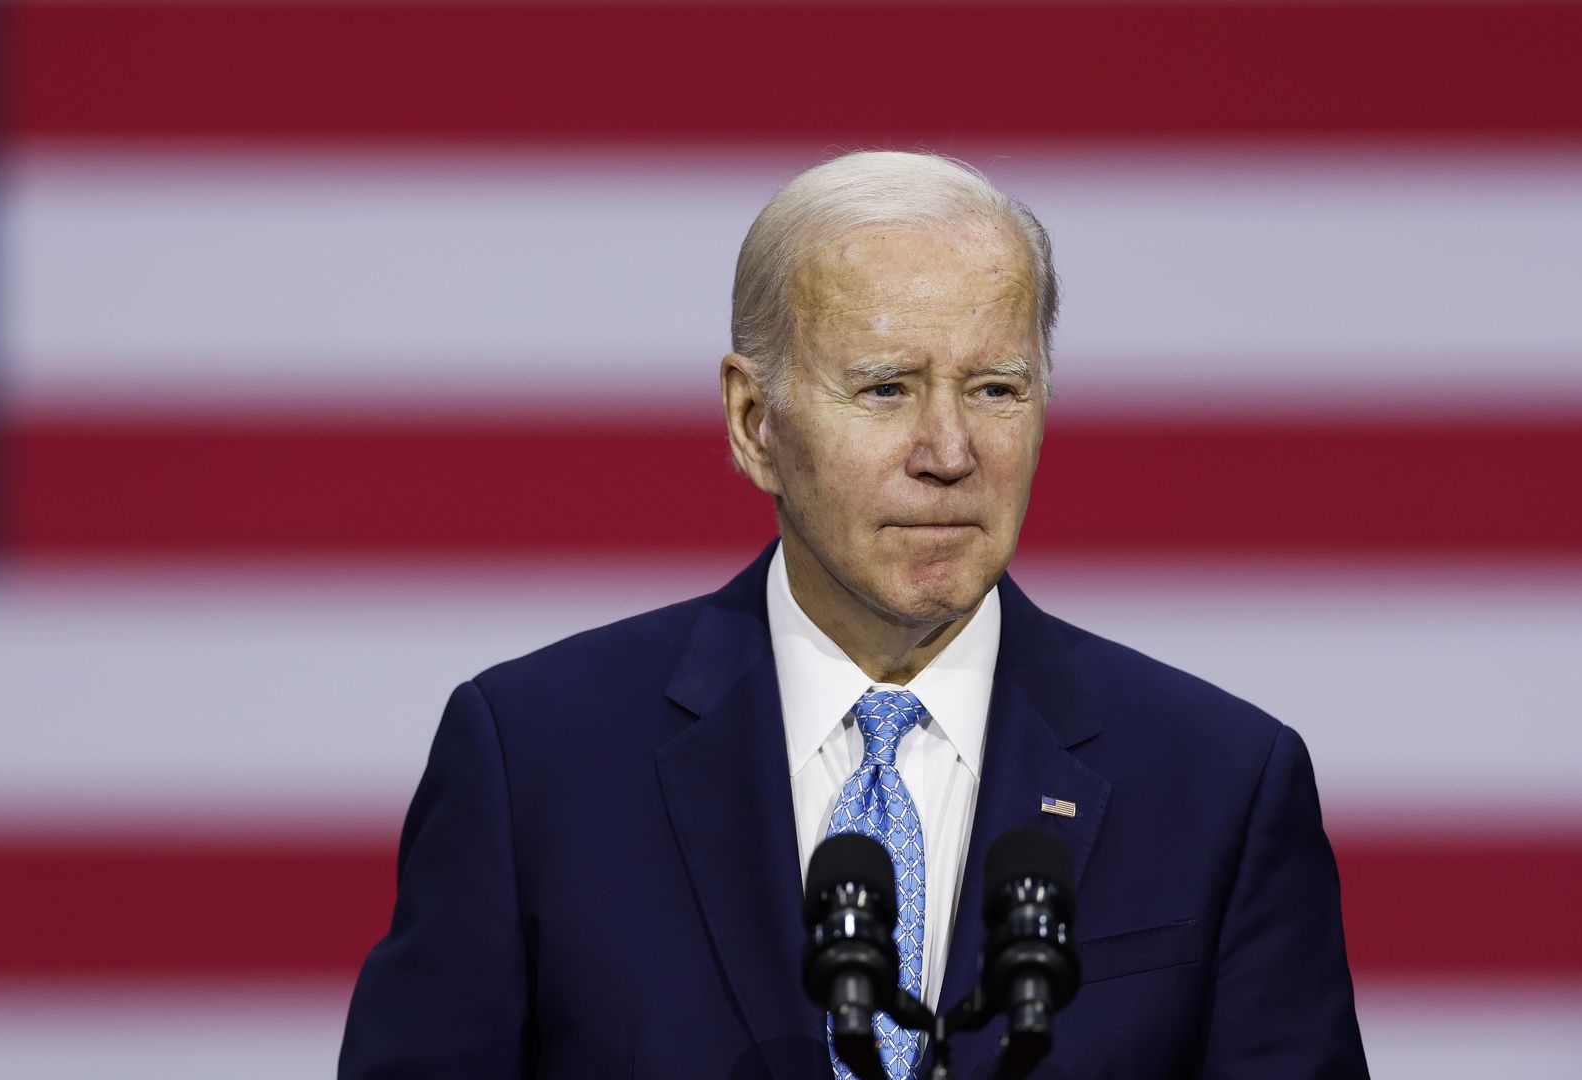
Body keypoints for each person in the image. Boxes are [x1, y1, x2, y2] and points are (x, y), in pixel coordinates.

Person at [335, 151, 1368, 1079]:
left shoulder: (1221, 784)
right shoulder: (535, 763)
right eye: (886, 389)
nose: (950, 452)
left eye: (996, 389)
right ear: (755, 423)